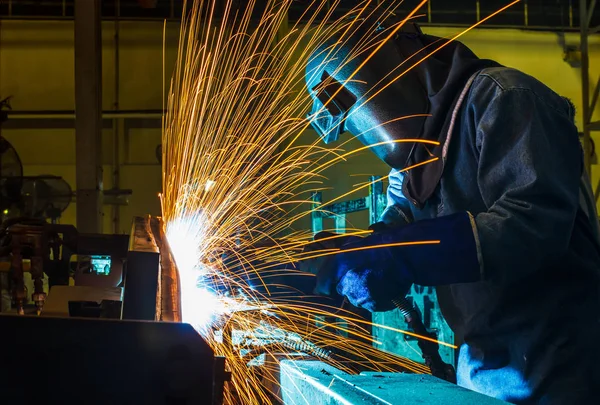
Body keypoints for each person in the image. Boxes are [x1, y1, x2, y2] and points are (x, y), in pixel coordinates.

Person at [303, 21, 600, 404]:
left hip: (563, 367)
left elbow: (532, 224)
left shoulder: (505, 98)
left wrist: (400, 255)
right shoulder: (415, 157)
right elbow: (400, 222)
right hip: (479, 372)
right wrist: (350, 255)